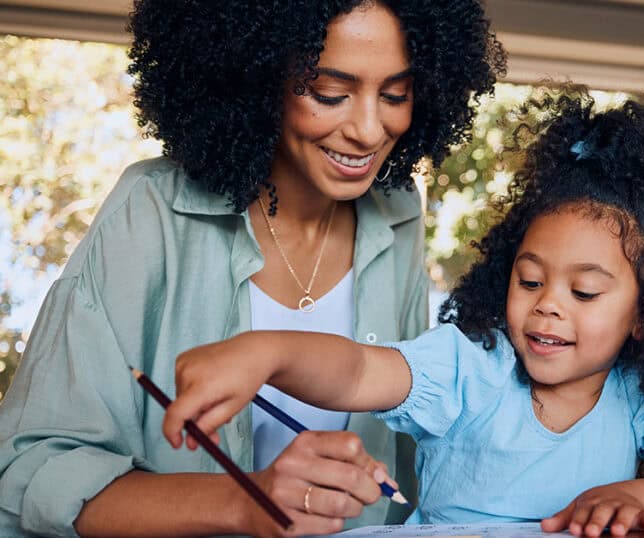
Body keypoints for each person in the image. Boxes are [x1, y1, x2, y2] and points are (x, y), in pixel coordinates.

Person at [165, 87, 644, 537]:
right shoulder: (471, 367)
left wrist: (629, 495)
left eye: (585, 293)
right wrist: (266, 351)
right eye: (531, 279)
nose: (548, 306)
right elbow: (356, 372)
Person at [0, 1, 505, 536]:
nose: (368, 130)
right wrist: (243, 502)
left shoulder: (398, 211)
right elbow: (26, 472)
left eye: (395, 95)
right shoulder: (150, 210)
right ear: (258, 79)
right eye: (330, 94)